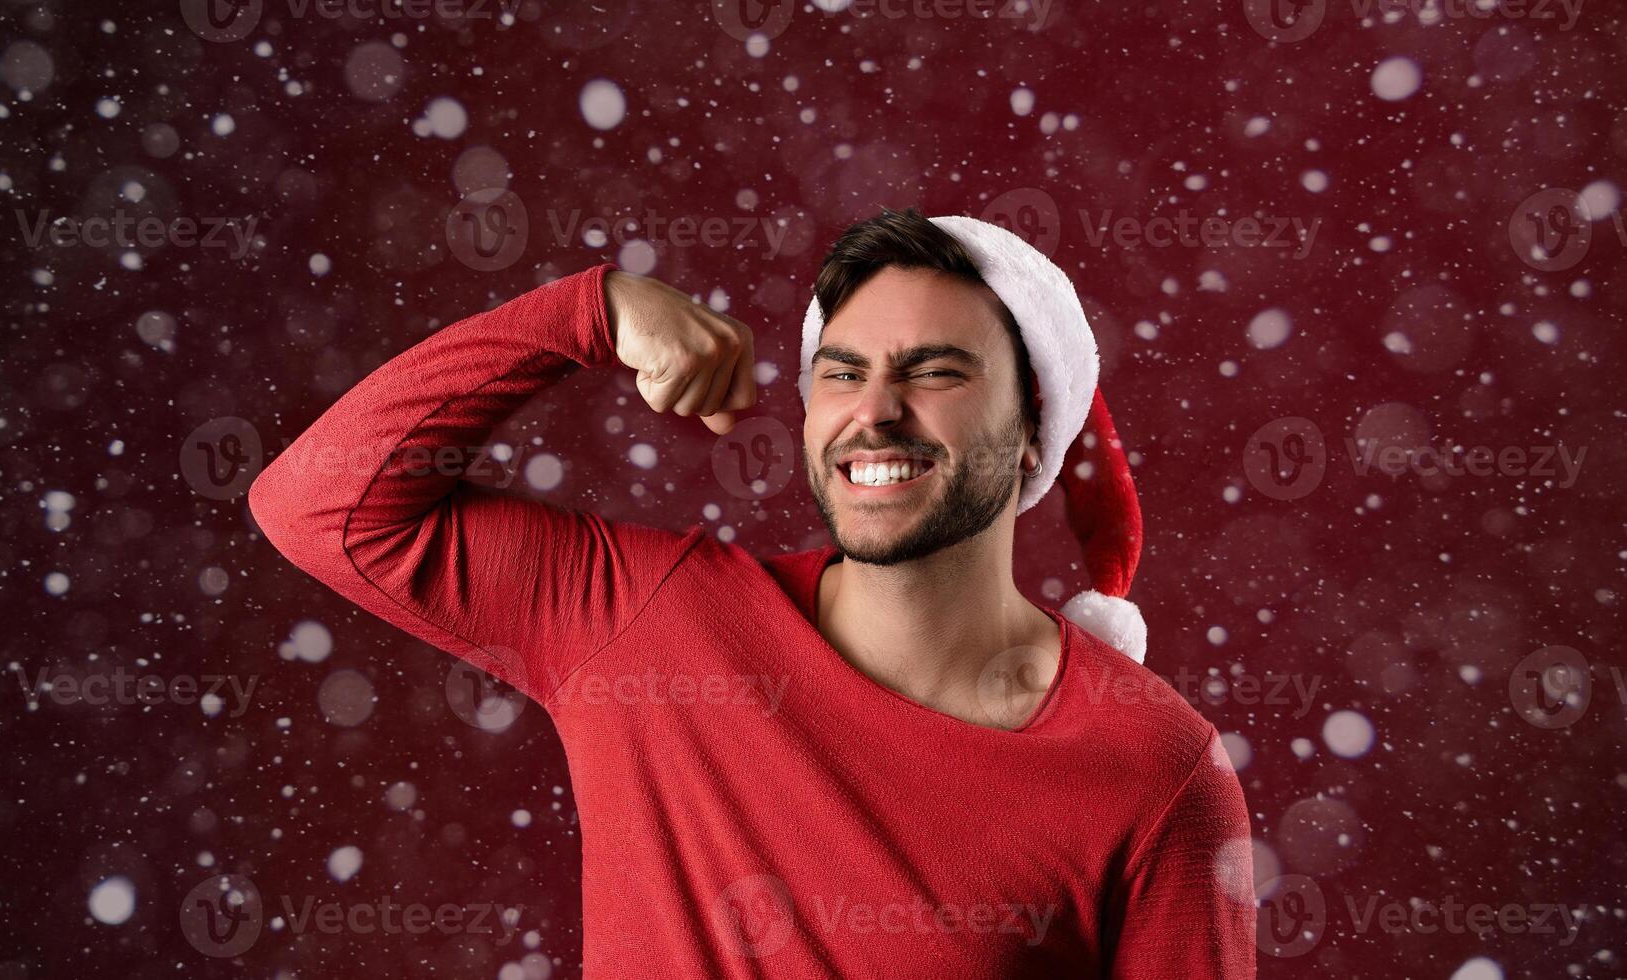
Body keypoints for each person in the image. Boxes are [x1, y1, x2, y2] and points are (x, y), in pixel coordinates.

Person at [249, 207, 1257, 977]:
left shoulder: (1153, 770)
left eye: (936, 371)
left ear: (1037, 429)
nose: (875, 412)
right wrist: (583, 314)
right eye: (842, 371)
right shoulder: (644, 620)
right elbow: (319, 502)